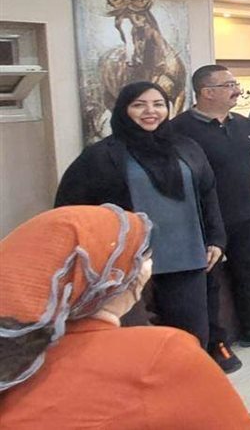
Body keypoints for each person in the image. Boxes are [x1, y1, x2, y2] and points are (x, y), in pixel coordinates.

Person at [0, 205, 250, 428]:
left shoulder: (14, 363)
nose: (147, 266)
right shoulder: (158, 356)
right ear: (117, 278)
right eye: (141, 257)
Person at [55, 81, 225, 353]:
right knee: (135, 345)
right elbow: (72, 208)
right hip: (127, 266)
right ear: (124, 109)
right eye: (139, 105)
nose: (150, 111)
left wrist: (216, 238)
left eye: (158, 104)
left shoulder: (186, 147)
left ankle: (184, 378)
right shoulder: (101, 156)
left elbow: (208, 193)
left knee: (190, 339)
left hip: (185, 258)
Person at [168, 65, 250, 374]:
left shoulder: (240, 124)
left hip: (247, 216)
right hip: (206, 222)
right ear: (207, 92)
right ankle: (216, 343)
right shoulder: (178, 130)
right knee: (209, 283)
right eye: (229, 85)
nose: (237, 89)